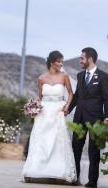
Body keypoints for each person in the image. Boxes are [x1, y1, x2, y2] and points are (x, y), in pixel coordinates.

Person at [22, 50, 77, 184]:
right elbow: (40, 98)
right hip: (44, 113)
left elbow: (70, 94)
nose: (61, 64)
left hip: (58, 111)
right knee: (41, 140)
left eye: (62, 61)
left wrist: (67, 106)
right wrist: (34, 108)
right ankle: (34, 170)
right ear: (52, 62)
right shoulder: (41, 78)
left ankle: (59, 171)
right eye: (59, 61)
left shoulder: (64, 76)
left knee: (58, 141)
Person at [66, 47, 108, 188]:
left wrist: (106, 118)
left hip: (96, 119)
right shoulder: (80, 75)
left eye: (82, 58)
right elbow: (77, 96)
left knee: (93, 152)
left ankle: (92, 182)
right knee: (76, 149)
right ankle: (75, 178)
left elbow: (106, 100)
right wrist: (68, 108)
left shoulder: (104, 76)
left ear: (90, 59)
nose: (80, 60)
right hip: (79, 117)